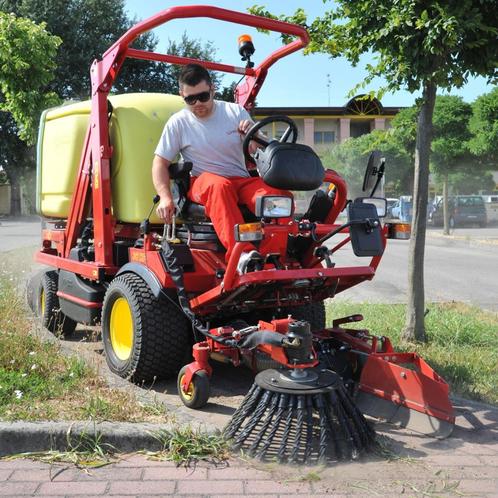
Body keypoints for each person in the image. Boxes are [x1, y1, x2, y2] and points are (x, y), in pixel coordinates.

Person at [152, 63, 292, 273]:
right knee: (219, 186)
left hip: (241, 179)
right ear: (182, 95)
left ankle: (273, 260)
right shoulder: (178, 123)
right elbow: (159, 163)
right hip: (204, 180)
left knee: (277, 195)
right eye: (190, 99)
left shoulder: (234, 112)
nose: (197, 103)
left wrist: (252, 135)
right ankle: (242, 256)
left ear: (212, 89)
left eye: (203, 96)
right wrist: (165, 197)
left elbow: (257, 150)